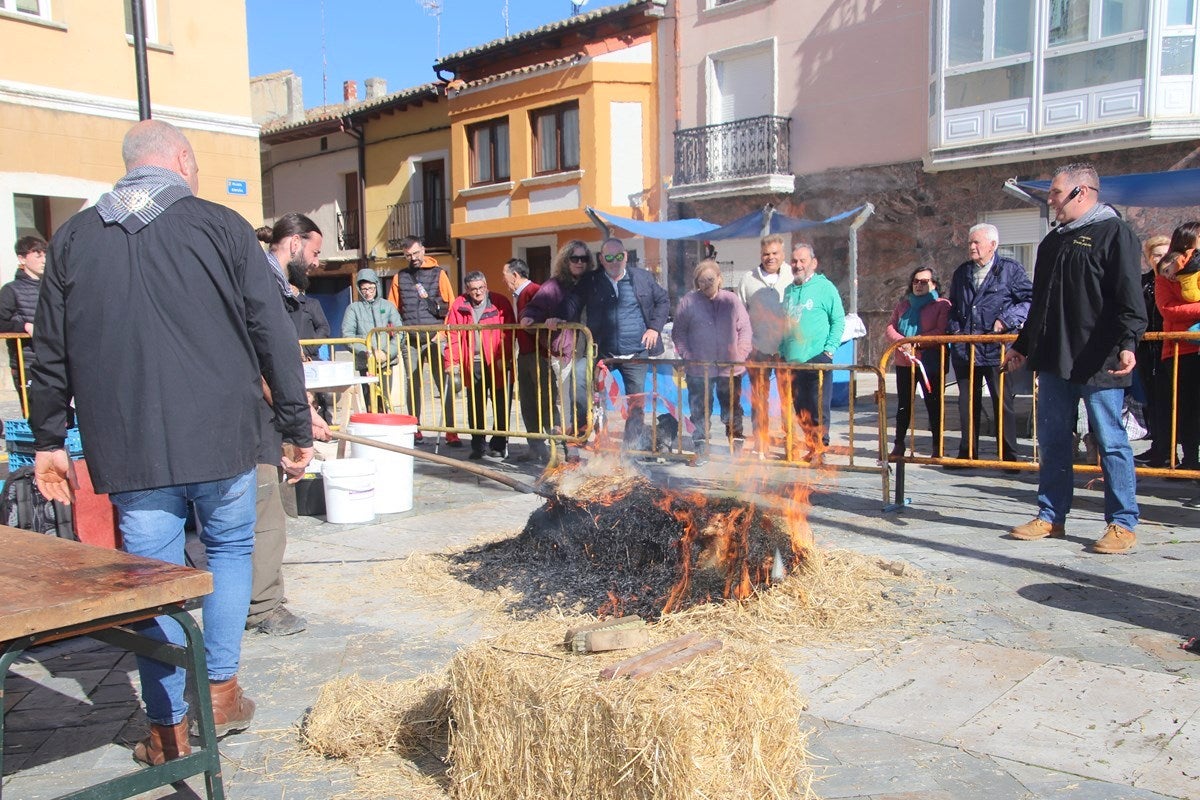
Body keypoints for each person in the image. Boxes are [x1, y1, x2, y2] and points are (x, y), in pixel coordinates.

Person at [28, 119, 314, 764]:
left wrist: (48, 437)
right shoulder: (220, 224)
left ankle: (168, 729)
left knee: (151, 580)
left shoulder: (72, 238)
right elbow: (272, 331)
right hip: (223, 435)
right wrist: (295, 425)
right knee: (230, 550)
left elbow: (50, 350)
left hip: (129, 443)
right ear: (182, 161)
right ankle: (218, 694)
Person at [1004, 162, 1146, 554]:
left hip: (1099, 360)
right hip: (1053, 360)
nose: (1050, 200)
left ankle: (1122, 522)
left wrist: (1129, 343)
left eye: (1055, 193)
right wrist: (1022, 344)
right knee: (1051, 441)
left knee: (1111, 441)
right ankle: (1051, 516)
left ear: (1081, 193)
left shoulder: (1114, 233)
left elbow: (1130, 299)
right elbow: (1040, 306)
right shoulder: (1052, 242)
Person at [248, 213, 330, 637]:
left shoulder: (274, 284)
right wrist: (299, 424)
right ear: (294, 243)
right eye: (315, 252)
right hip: (252, 420)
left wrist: (306, 413)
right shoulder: (261, 282)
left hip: (265, 409)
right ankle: (263, 608)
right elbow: (266, 366)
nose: (316, 262)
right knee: (265, 514)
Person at [562, 237, 669, 449]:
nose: (614, 261)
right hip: (603, 353)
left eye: (618, 256)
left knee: (636, 404)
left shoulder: (642, 278)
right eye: (609, 257)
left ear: (626, 256)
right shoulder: (591, 281)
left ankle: (631, 450)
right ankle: (592, 435)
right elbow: (572, 302)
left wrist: (654, 328)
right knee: (588, 388)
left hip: (635, 353)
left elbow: (663, 300)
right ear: (601, 259)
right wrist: (557, 317)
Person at [945, 223, 1032, 463]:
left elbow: (1029, 300)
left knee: (1002, 403)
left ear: (993, 245)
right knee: (966, 404)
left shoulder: (1010, 270)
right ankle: (967, 453)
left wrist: (1006, 320)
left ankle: (1008, 455)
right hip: (966, 348)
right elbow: (953, 306)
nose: (972, 247)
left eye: (977, 243)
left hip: (996, 349)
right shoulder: (962, 272)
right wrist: (955, 331)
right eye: (970, 242)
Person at [672, 259, 752, 465]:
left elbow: (745, 330)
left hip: (730, 370)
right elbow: (678, 332)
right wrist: (688, 355)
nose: (706, 284)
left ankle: (736, 447)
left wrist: (740, 355)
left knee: (732, 410)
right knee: (699, 411)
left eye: (710, 279)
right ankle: (701, 449)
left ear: (719, 279)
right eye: (701, 280)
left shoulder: (732, 300)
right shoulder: (688, 301)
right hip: (699, 371)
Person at [522, 240, 595, 447]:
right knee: (568, 400)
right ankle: (570, 447)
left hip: (593, 350)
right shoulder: (554, 285)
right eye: (575, 258)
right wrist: (529, 317)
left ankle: (586, 442)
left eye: (584, 258)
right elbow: (535, 306)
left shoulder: (593, 282)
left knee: (591, 400)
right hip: (565, 351)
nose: (580, 262)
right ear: (566, 260)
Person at [386, 235, 456, 444]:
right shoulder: (400, 277)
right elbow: (393, 308)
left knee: (443, 383)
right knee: (412, 383)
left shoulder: (439, 274)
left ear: (423, 250)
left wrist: (442, 334)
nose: (413, 258)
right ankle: (414, 427)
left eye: (416, 253)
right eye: (408, 255)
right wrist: (396, 332)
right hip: (411, 339)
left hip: (435, 336)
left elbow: (450, 307)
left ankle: (451, 431)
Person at [780, 243, 845, 459]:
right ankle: (810, 445)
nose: (797, 265)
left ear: (813, 263)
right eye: (794, 261)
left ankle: (820, 448)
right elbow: (783, 324)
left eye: (802, 261)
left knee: (818, 407)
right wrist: (782, 351)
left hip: (817, 358)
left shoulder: (825, 288)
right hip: (793, 360)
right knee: (800, 409)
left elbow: (838, 320)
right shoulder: (789, 291)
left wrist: (829, 350)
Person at [444, 271, 516, 460]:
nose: (478, 293)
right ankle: (478, 446)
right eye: (474, 289)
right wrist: (451, 361)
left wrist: (504, 355)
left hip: (496, 361)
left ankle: (499, 444)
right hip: (472, 363)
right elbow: (452, 335)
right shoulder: (459, 305)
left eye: (481, 288)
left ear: (486, 286)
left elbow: (509, 332)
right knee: (475, 406)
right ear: (467, 290)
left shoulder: (500, 301)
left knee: (501, 404)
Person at [885, 266, 951, 457]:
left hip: (929, 361)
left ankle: (937, 446)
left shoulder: (942, 305)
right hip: (904, 361)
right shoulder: (903, 305)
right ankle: (899, 443)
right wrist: (902, 342)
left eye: (924, 282)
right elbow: (891, 327)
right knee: (904, 403)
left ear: (934, 284)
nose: (919, 285)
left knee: (934, 403)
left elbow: (941, 330)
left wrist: (916, 342)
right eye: (916, 281)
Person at [737, 234, 791, 455]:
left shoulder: (791, 275)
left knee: (788, 399)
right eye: (766, 254)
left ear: (782, 254)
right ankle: (761, 443)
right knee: (760, 401)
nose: (770, 258)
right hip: (758, 350)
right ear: (761, 255)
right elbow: (739, 315)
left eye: (775, 253)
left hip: (786, 350)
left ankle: (790, 444)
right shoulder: (748, 279)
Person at [1155, 221, 1200, 470]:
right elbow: (1169, 311)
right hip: (1180, 350)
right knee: (1186, 409)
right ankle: (1189, 460)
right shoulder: (1167, 274)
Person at [503, 258, 555, 462]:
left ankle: (556, 448)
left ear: (515, 275)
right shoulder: (521, 294)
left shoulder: (535, 291)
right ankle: (535, 447)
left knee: (545, 400)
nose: (504, 280)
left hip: (538, 354)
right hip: (524, 354)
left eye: (505, 276)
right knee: (527, 401)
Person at [341, 268, 404, 412]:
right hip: (366, 362)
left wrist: (387, 353)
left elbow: (400, 332)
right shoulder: (353, 309)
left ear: (377, 286)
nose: (367, 292)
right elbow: (348, 336)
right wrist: (368, 352)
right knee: (369, 398)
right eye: (363, 289)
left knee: (385, 398)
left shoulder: (387, 306)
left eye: (370, 288)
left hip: (386, 361)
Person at [0, 234, 47, 414]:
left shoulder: (53, 287)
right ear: (22, 258)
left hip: (55, 357)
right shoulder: (10, 290)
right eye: (37, 255)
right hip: (27, 360)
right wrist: (25, 327)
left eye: (45, 254)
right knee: (36, 412)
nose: (44, 260)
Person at [1134, 234, 1169, 466]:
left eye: (1165, 255)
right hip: (1146, 349)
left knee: (1170, 400)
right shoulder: (1142, 282)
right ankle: (1159, 447)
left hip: (1170, 347)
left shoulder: (1176, 280)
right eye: (1156, 255)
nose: (1161, 259)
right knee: (1152, 400)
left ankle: (1172, 451)